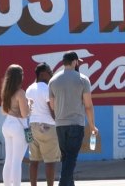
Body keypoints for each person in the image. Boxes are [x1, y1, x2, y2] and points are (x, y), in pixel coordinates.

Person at [48, 51, 98, 186]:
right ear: (75, 62)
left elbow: (52, 106)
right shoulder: (82, 79)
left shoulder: (53, 80)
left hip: (60, 125)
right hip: (76, 124)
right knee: (71, 159)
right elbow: (88, 105)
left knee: (66, 159)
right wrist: (92, 125)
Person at [26, 62, 61, 186]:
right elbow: (52, 110)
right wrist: (59, 122)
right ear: (42, 74)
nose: (52, 73)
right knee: (50, 161)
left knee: (33, 161)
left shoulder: (29, 88)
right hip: (47, 127)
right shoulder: (47, 88)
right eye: (49, 71)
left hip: (32, 126)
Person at [0, 64, 30, 186]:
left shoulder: (6, 92)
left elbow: (3, 111)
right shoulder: (20, 93)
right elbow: (24, 114)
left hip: (7, 124)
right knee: (17, 161)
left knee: (9, 160)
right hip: (18, 127)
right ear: (19, 77)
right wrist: (30, 106)